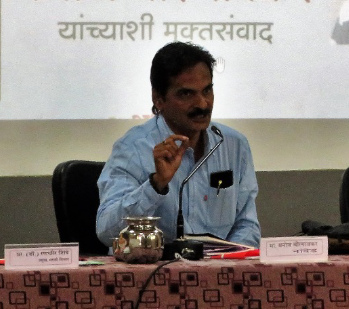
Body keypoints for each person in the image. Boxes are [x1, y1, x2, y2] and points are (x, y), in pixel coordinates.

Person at [96, 42, 260, 247]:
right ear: (158, 99)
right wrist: (156, 185)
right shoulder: (133, 149)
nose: (202, 104)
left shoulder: (234, 145)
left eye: (207, 90)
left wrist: (227, 259)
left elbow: (247, 225)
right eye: (186, 94)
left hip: (220, 264)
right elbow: (107, 231)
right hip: (157, 265)